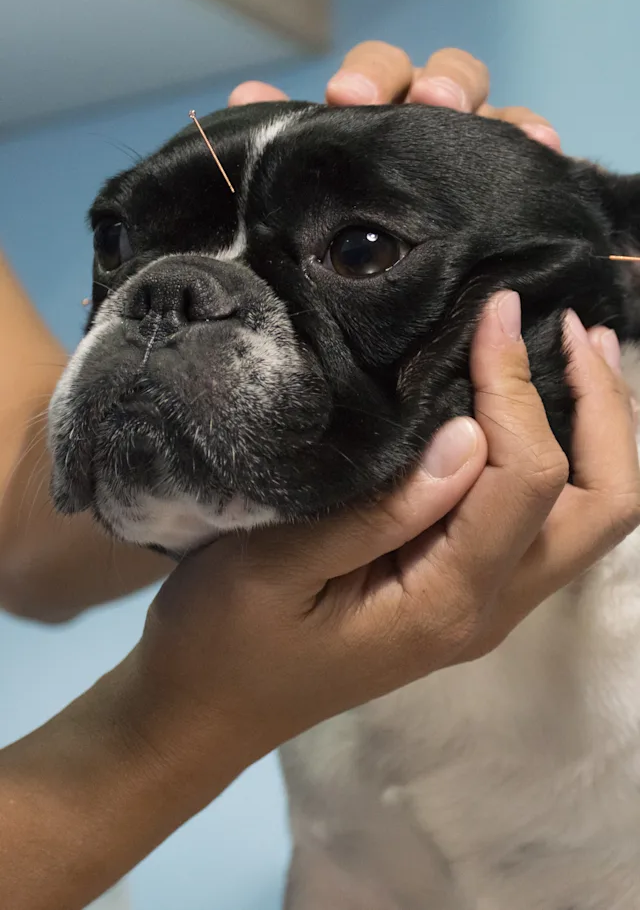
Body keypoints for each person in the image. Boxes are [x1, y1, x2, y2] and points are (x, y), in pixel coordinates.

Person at [0, 45, 638, 910]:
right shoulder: (285, 627)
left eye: (364, 250)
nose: (161, 303)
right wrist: (181, 716)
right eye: (121, 244)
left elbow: (18, 542)